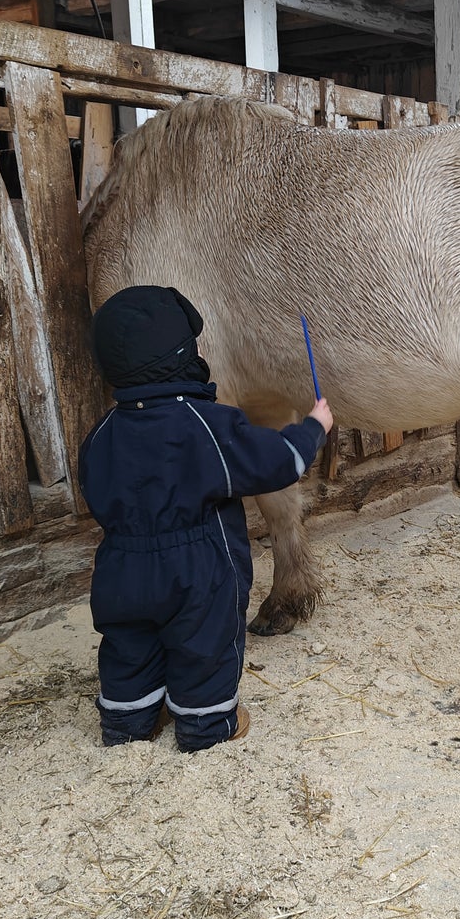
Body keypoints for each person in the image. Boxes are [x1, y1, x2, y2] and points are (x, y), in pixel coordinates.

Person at [78, 285, 333, 752]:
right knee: (205, 640)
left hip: (121, 569)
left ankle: (126, 720)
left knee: (128, 643)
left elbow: (95, 492)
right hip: (199, 568)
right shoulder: (208, 425)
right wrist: (314, 426)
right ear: (182, 356)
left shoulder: (101, 434)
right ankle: (207, 723)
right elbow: (276, 461)